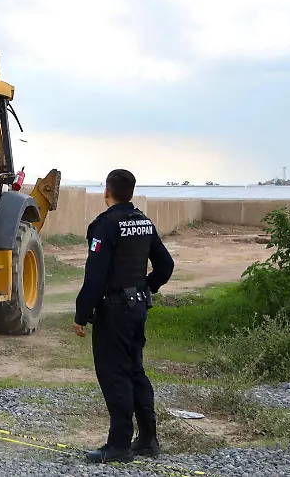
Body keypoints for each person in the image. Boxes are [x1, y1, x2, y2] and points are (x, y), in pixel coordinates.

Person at [73, 168, 175, 464]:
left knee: (115, 374)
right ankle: (147, 439)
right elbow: (165, 265)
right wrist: (145, 287)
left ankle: (118, 444)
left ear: (107, 191)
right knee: (134, 371)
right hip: (137, 308)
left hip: (114, 311)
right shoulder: (143, 222)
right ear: (130, 192)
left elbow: (95, 275)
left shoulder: (106, 225)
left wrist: (81, 313)